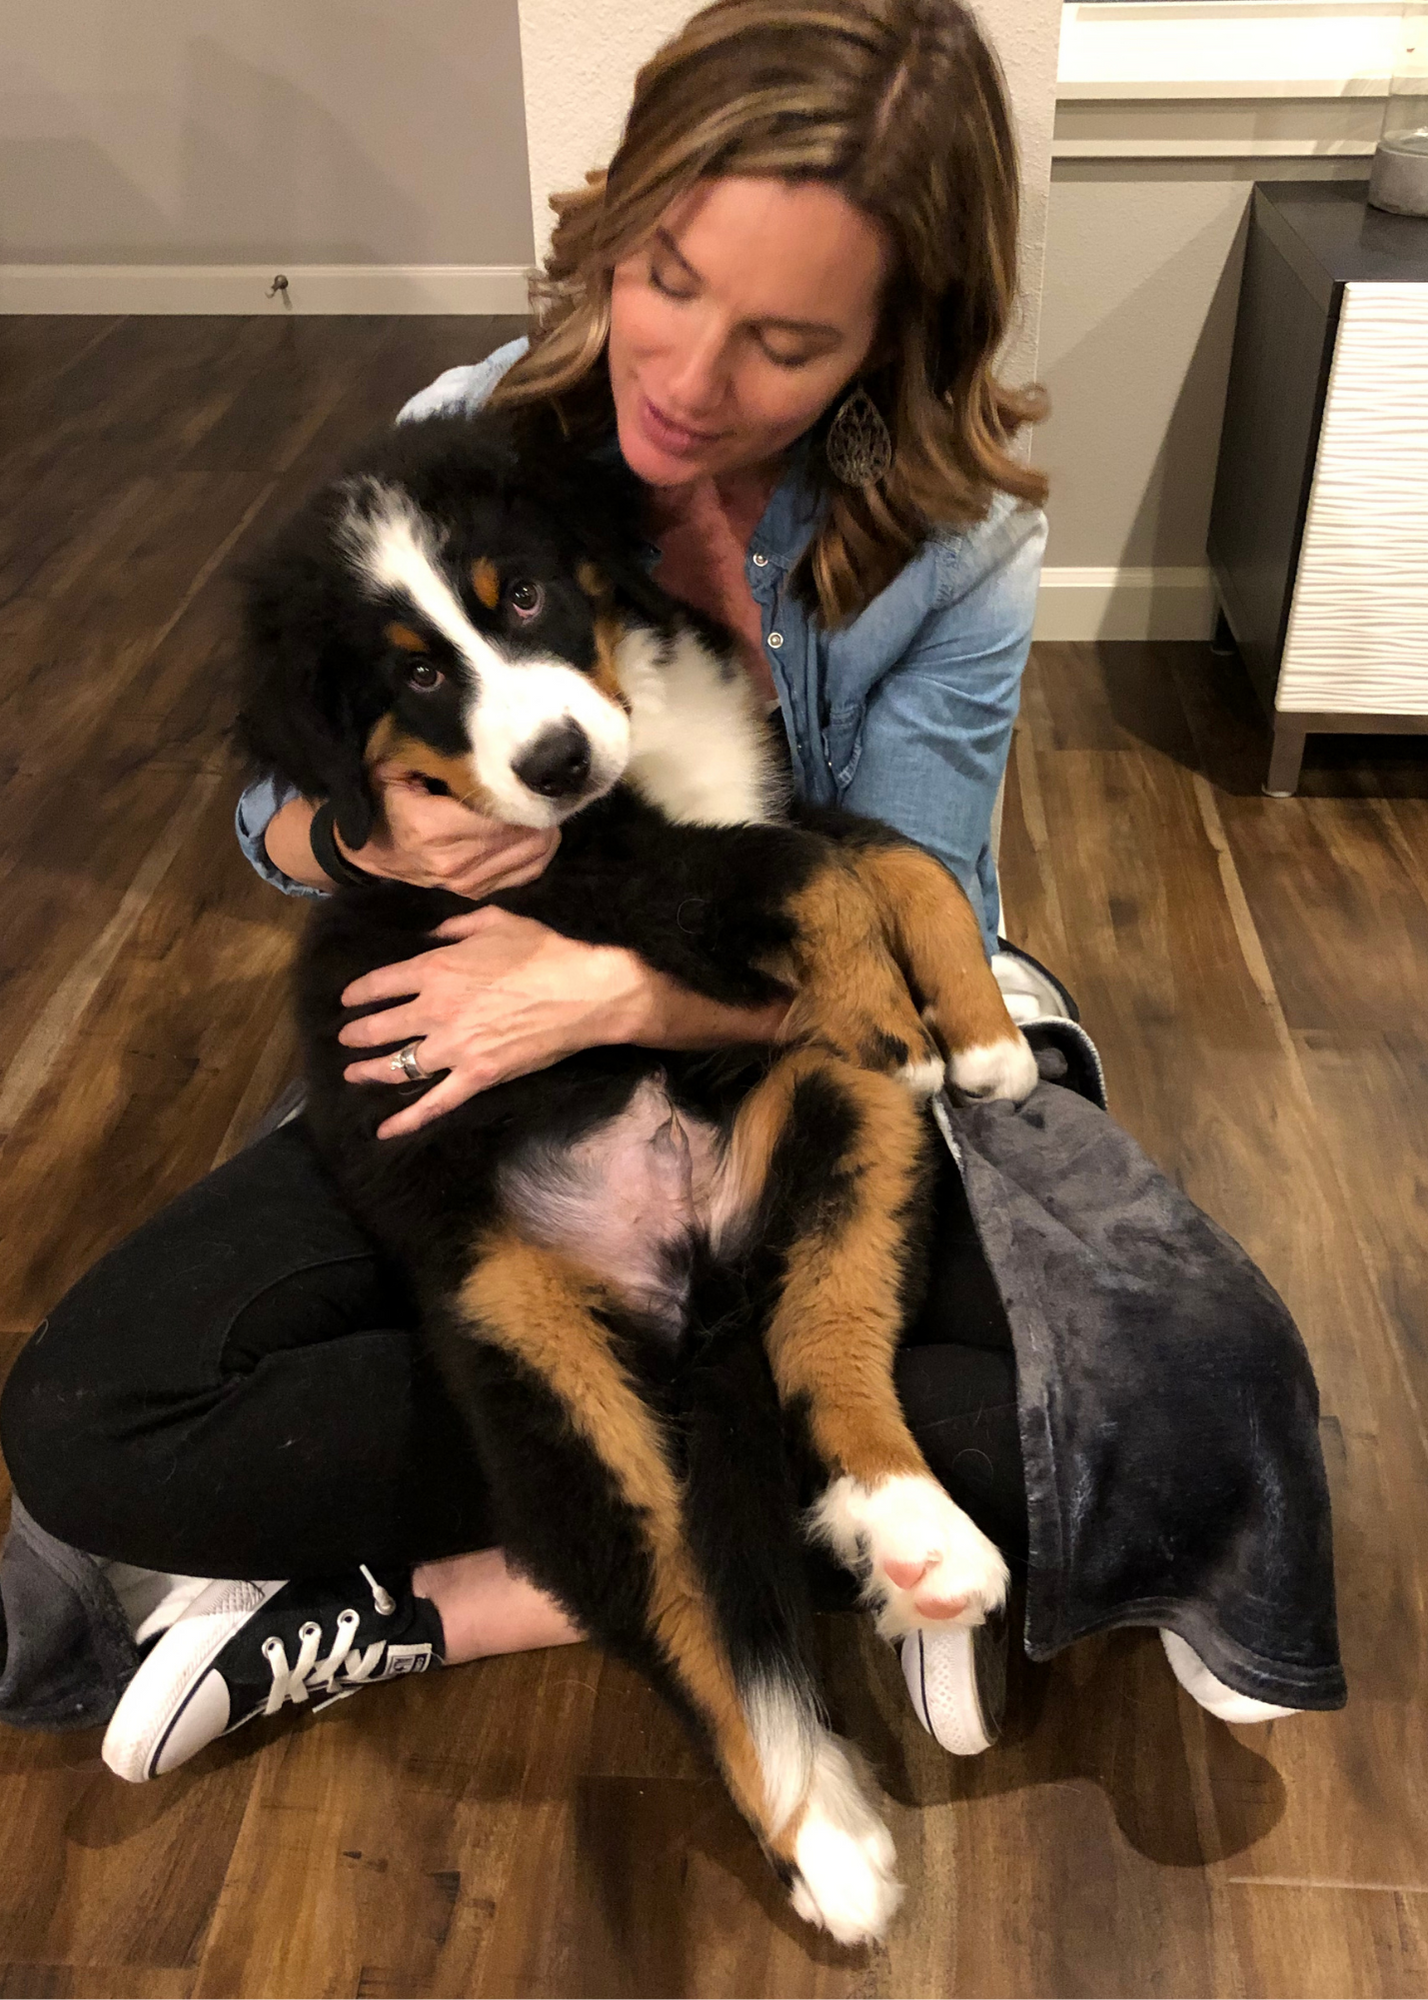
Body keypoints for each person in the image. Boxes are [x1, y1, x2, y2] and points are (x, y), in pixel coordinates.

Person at [0, 0, 1333, 1785]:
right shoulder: (472, 435)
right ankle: (834, 1533)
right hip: (499, 1069)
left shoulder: (962, 547)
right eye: (669, 277)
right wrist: (363, 842)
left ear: (889, 344)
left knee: (1200, 1386)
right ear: (616, 220)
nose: (692, 377)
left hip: (823, 1044)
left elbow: (920, 900)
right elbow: (270, 811)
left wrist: (618, 994)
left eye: (785, 340)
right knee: (94, 1422)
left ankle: (450, 1592)